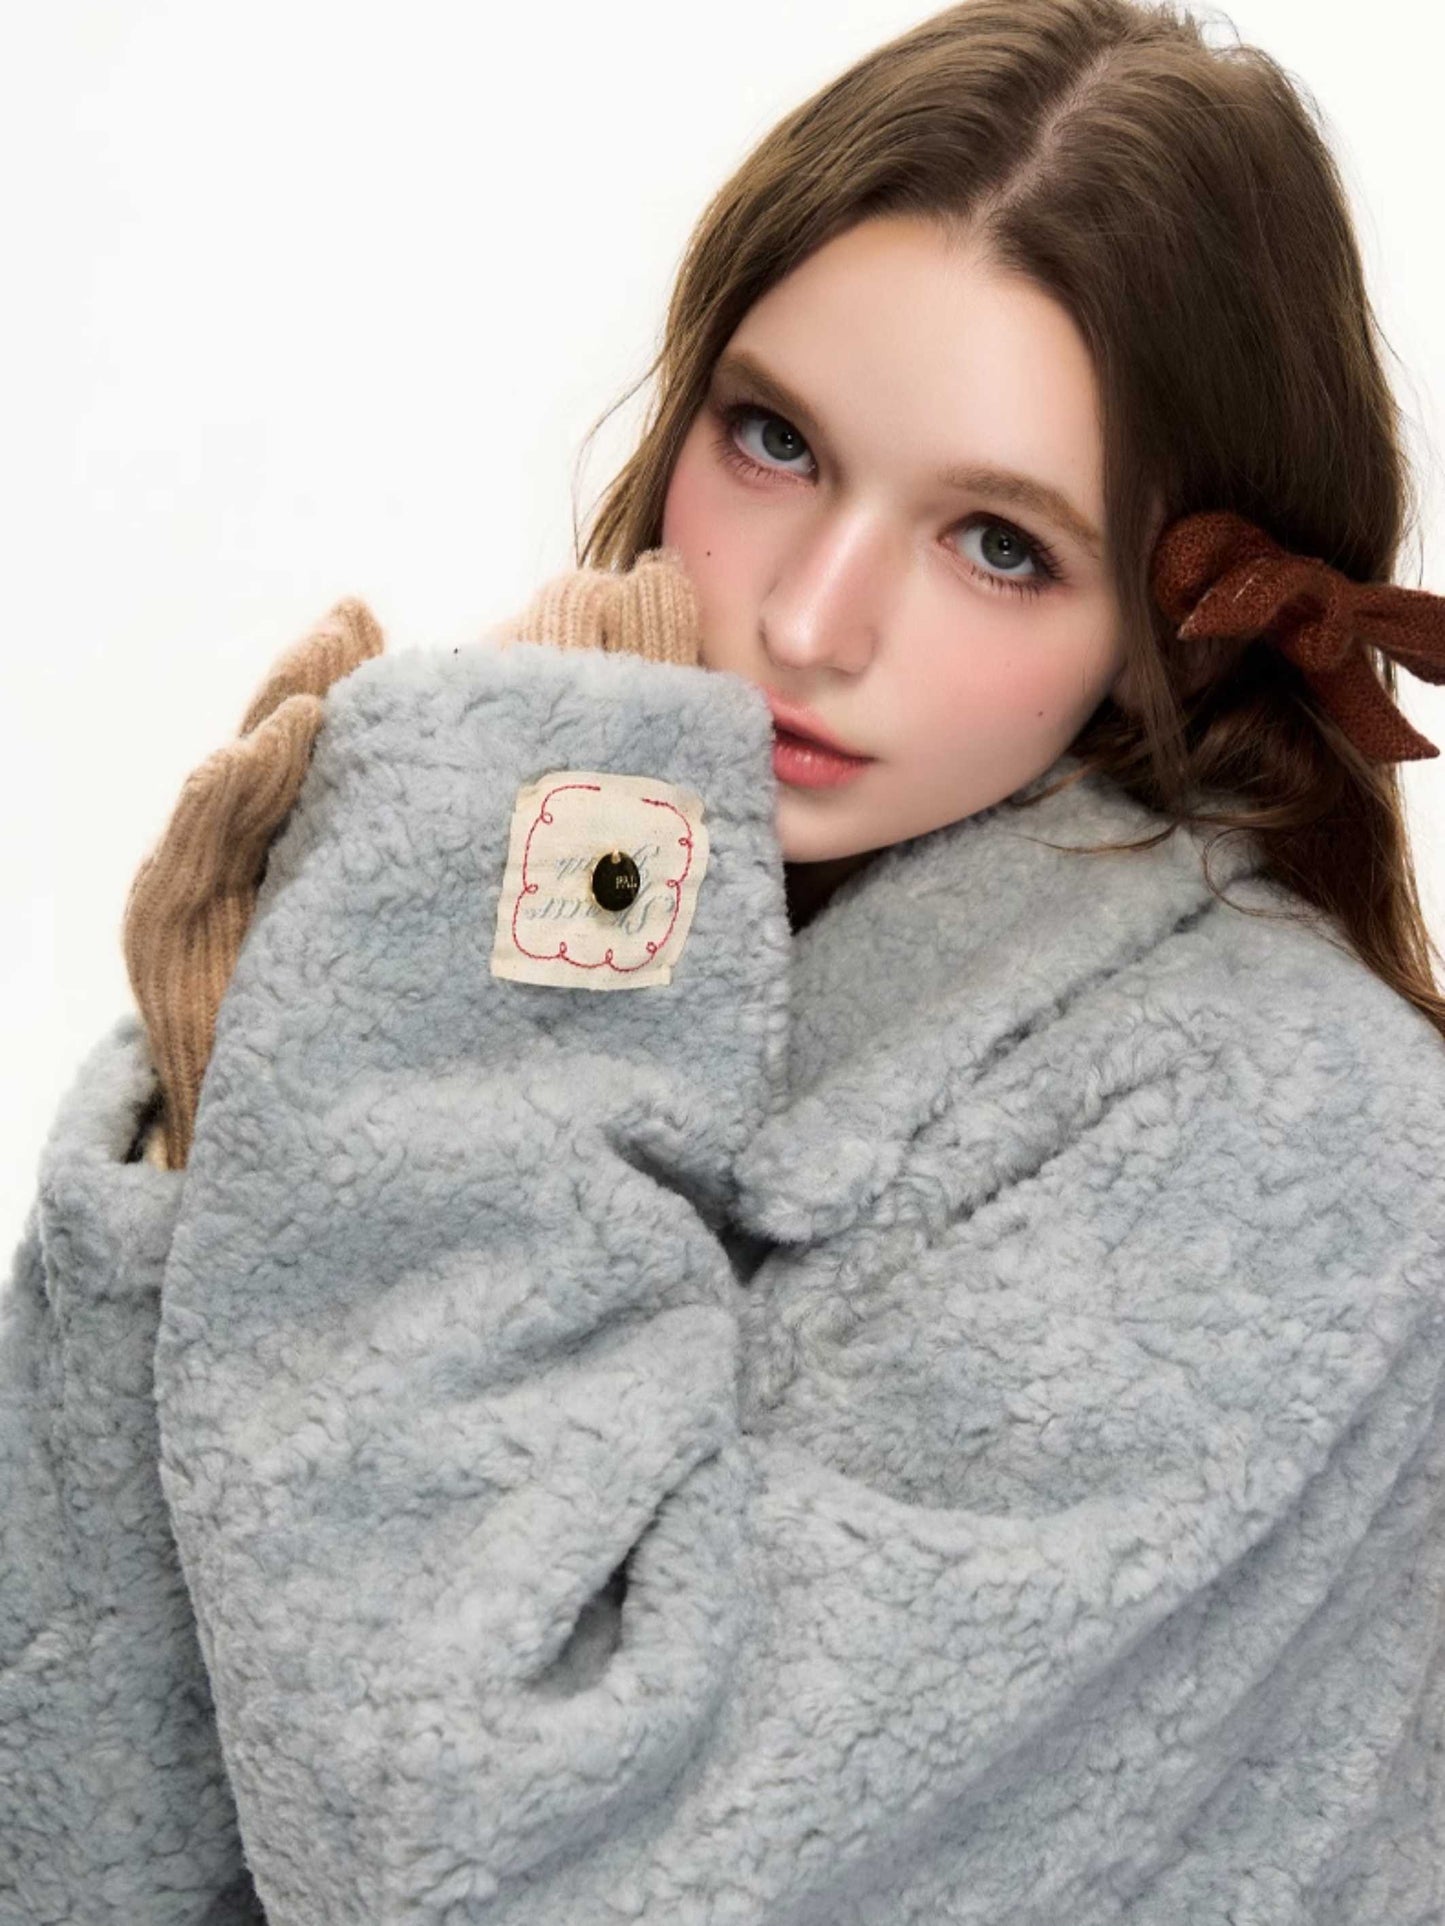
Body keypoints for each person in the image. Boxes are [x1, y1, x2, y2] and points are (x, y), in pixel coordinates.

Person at [5, 0, 1445, 1920]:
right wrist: (222, 1131)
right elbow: (75, 1812)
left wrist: (454, 1060)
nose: (812, 618)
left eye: (999, 543)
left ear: (1181, 624)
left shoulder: (1287, 1132)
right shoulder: (575, 930)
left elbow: (513, 1867)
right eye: (774, 441)